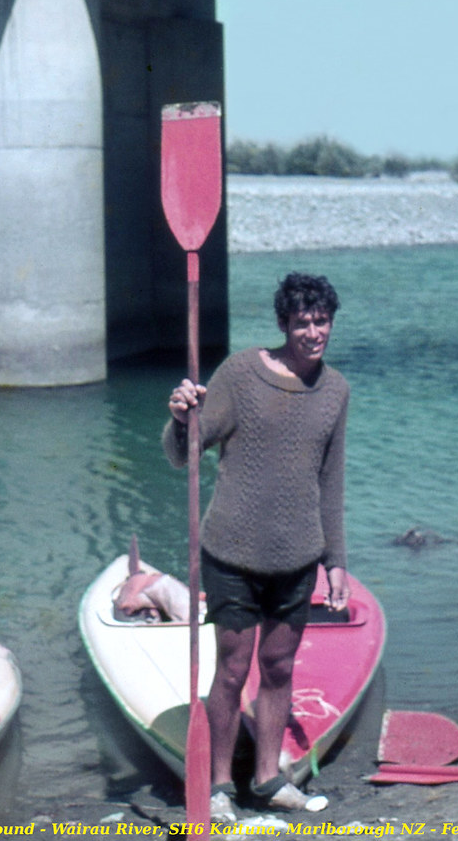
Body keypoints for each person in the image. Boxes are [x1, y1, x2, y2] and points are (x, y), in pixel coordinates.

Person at [163, 272, 350, 822]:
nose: (312, 332)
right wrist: (179, 419)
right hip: (233, 553)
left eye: (321, 322)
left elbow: (331, 480)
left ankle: (268, 778)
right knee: (230, 669)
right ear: (283, 324)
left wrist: (336, 561)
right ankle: (220, 784)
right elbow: (187, 451)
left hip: (297, 557)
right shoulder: (243, 373)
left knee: (279, 667)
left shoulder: (336, 390)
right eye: (301, 323)